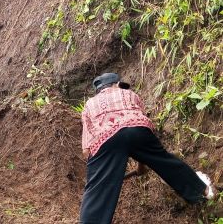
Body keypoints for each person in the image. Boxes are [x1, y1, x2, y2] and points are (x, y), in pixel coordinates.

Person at [79, 73, 217, 224]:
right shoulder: (130, 94)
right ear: (117, 84)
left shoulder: (89, 105)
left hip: (105, 138)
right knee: (165, 161)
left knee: (97, 190)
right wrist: (143, 164)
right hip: (137, 130)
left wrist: (97, 174)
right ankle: (203, 191)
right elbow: (137, 134)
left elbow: (88, 146)